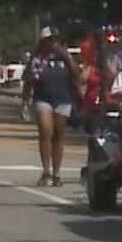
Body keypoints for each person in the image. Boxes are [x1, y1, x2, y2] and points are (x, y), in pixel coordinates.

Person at [23, 31, 83, 187]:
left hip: (63, 98)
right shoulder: (37, 58)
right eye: (49, 40)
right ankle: (46, 171)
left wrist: (67, 56)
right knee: (45, 131)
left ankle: (56, 172)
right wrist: (25, 102)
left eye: (55, 40)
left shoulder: (64, 58)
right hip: (43, 98)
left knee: (59, 134)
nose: (52, 43)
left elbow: (77, 74)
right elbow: (28, 80)